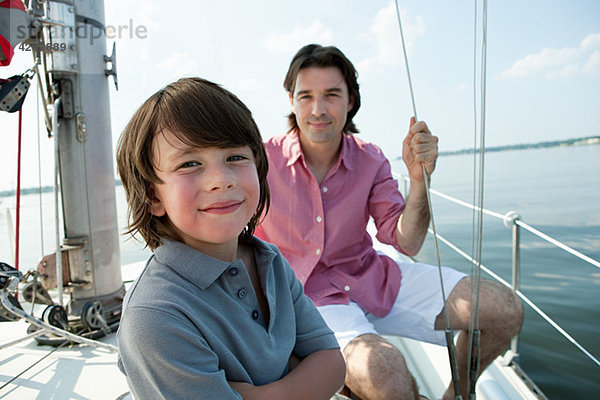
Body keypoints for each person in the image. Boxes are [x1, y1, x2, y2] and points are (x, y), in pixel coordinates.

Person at [254, 44, 524, 400]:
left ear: (351, 100)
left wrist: (419, 180)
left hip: (370, 278)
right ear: (291, 100)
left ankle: (459, 394)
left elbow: (407, 242)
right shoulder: (260, 160)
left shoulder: (370, 158)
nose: (318, 109)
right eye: (306, 96)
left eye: (332, 94)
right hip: (308, 302)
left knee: (504, 310)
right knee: (388, 375)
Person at [115, 77, 345, 400]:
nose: (221, 181)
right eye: (189, 164)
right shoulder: (155, 314)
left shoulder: (270, 261)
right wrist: (300, 373)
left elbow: (333, 363)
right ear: (153, 196)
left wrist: (255, 395)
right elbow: (318, 368)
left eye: (235, 158)